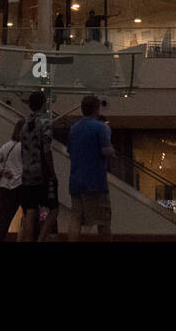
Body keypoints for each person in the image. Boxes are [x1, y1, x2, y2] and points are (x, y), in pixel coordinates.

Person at [67, 95, 115, 242]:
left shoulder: (74, 128)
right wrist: (113, 151)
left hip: (76, 181)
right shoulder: (101, 127)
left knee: (76, 218)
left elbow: (70, 151)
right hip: (95, 181)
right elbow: (106, 151)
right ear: (97, 109)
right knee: (103, 221)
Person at [17, 91, 54, 242]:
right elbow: (47, 149)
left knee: (30, 211)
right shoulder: (45, 123)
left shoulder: (24, 124)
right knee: (53, 208)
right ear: (43, 104)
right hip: (41, 171)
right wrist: (51, 171)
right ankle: (41, 239)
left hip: (26, 172)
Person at [0, 119, 24, 241]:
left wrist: (2, 170)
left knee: (5, 217)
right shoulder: (23, 147)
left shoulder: (7, 145)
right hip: (19, 184)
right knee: (29, 214)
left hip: (5, 185)